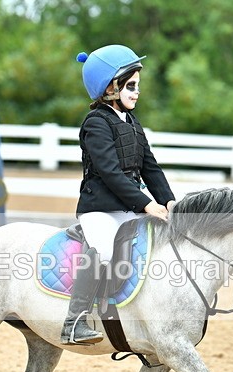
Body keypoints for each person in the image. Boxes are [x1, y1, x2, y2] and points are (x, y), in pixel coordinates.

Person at [60, 44, 176, 345]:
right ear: (112, 87)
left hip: (129, 206)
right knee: (103, 249)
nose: (137, 92)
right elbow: (110, 173)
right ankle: (74, 322)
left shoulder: (133, 123)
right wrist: (147, 204)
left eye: (137, 86)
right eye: (131, 86)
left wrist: (168, 201)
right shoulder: (96, 123)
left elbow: (150, 167)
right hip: (100, 208)